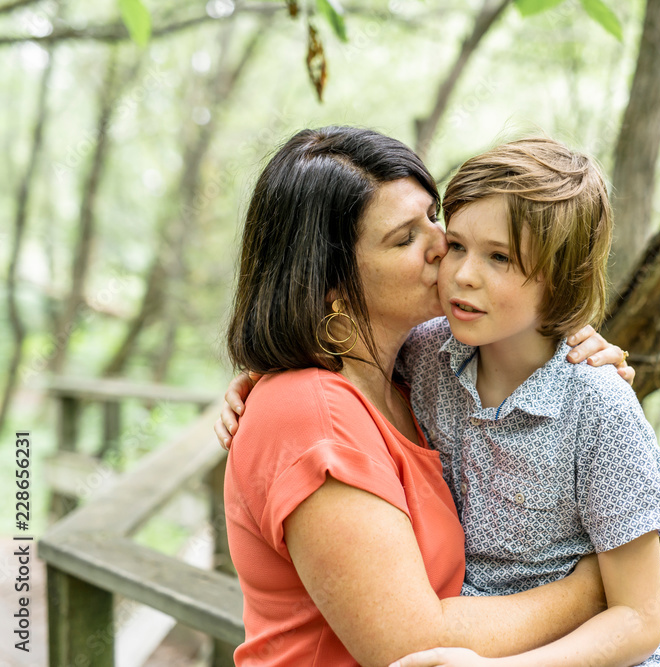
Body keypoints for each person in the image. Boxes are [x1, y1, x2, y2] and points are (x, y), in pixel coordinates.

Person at [221, 126, 633, 666]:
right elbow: (411, 644)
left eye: (432, 217)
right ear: (330, 284)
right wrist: (595, 590)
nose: (444, 243)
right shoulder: (313, 413)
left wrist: (567, 352)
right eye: (404, 238)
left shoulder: (411, 380)